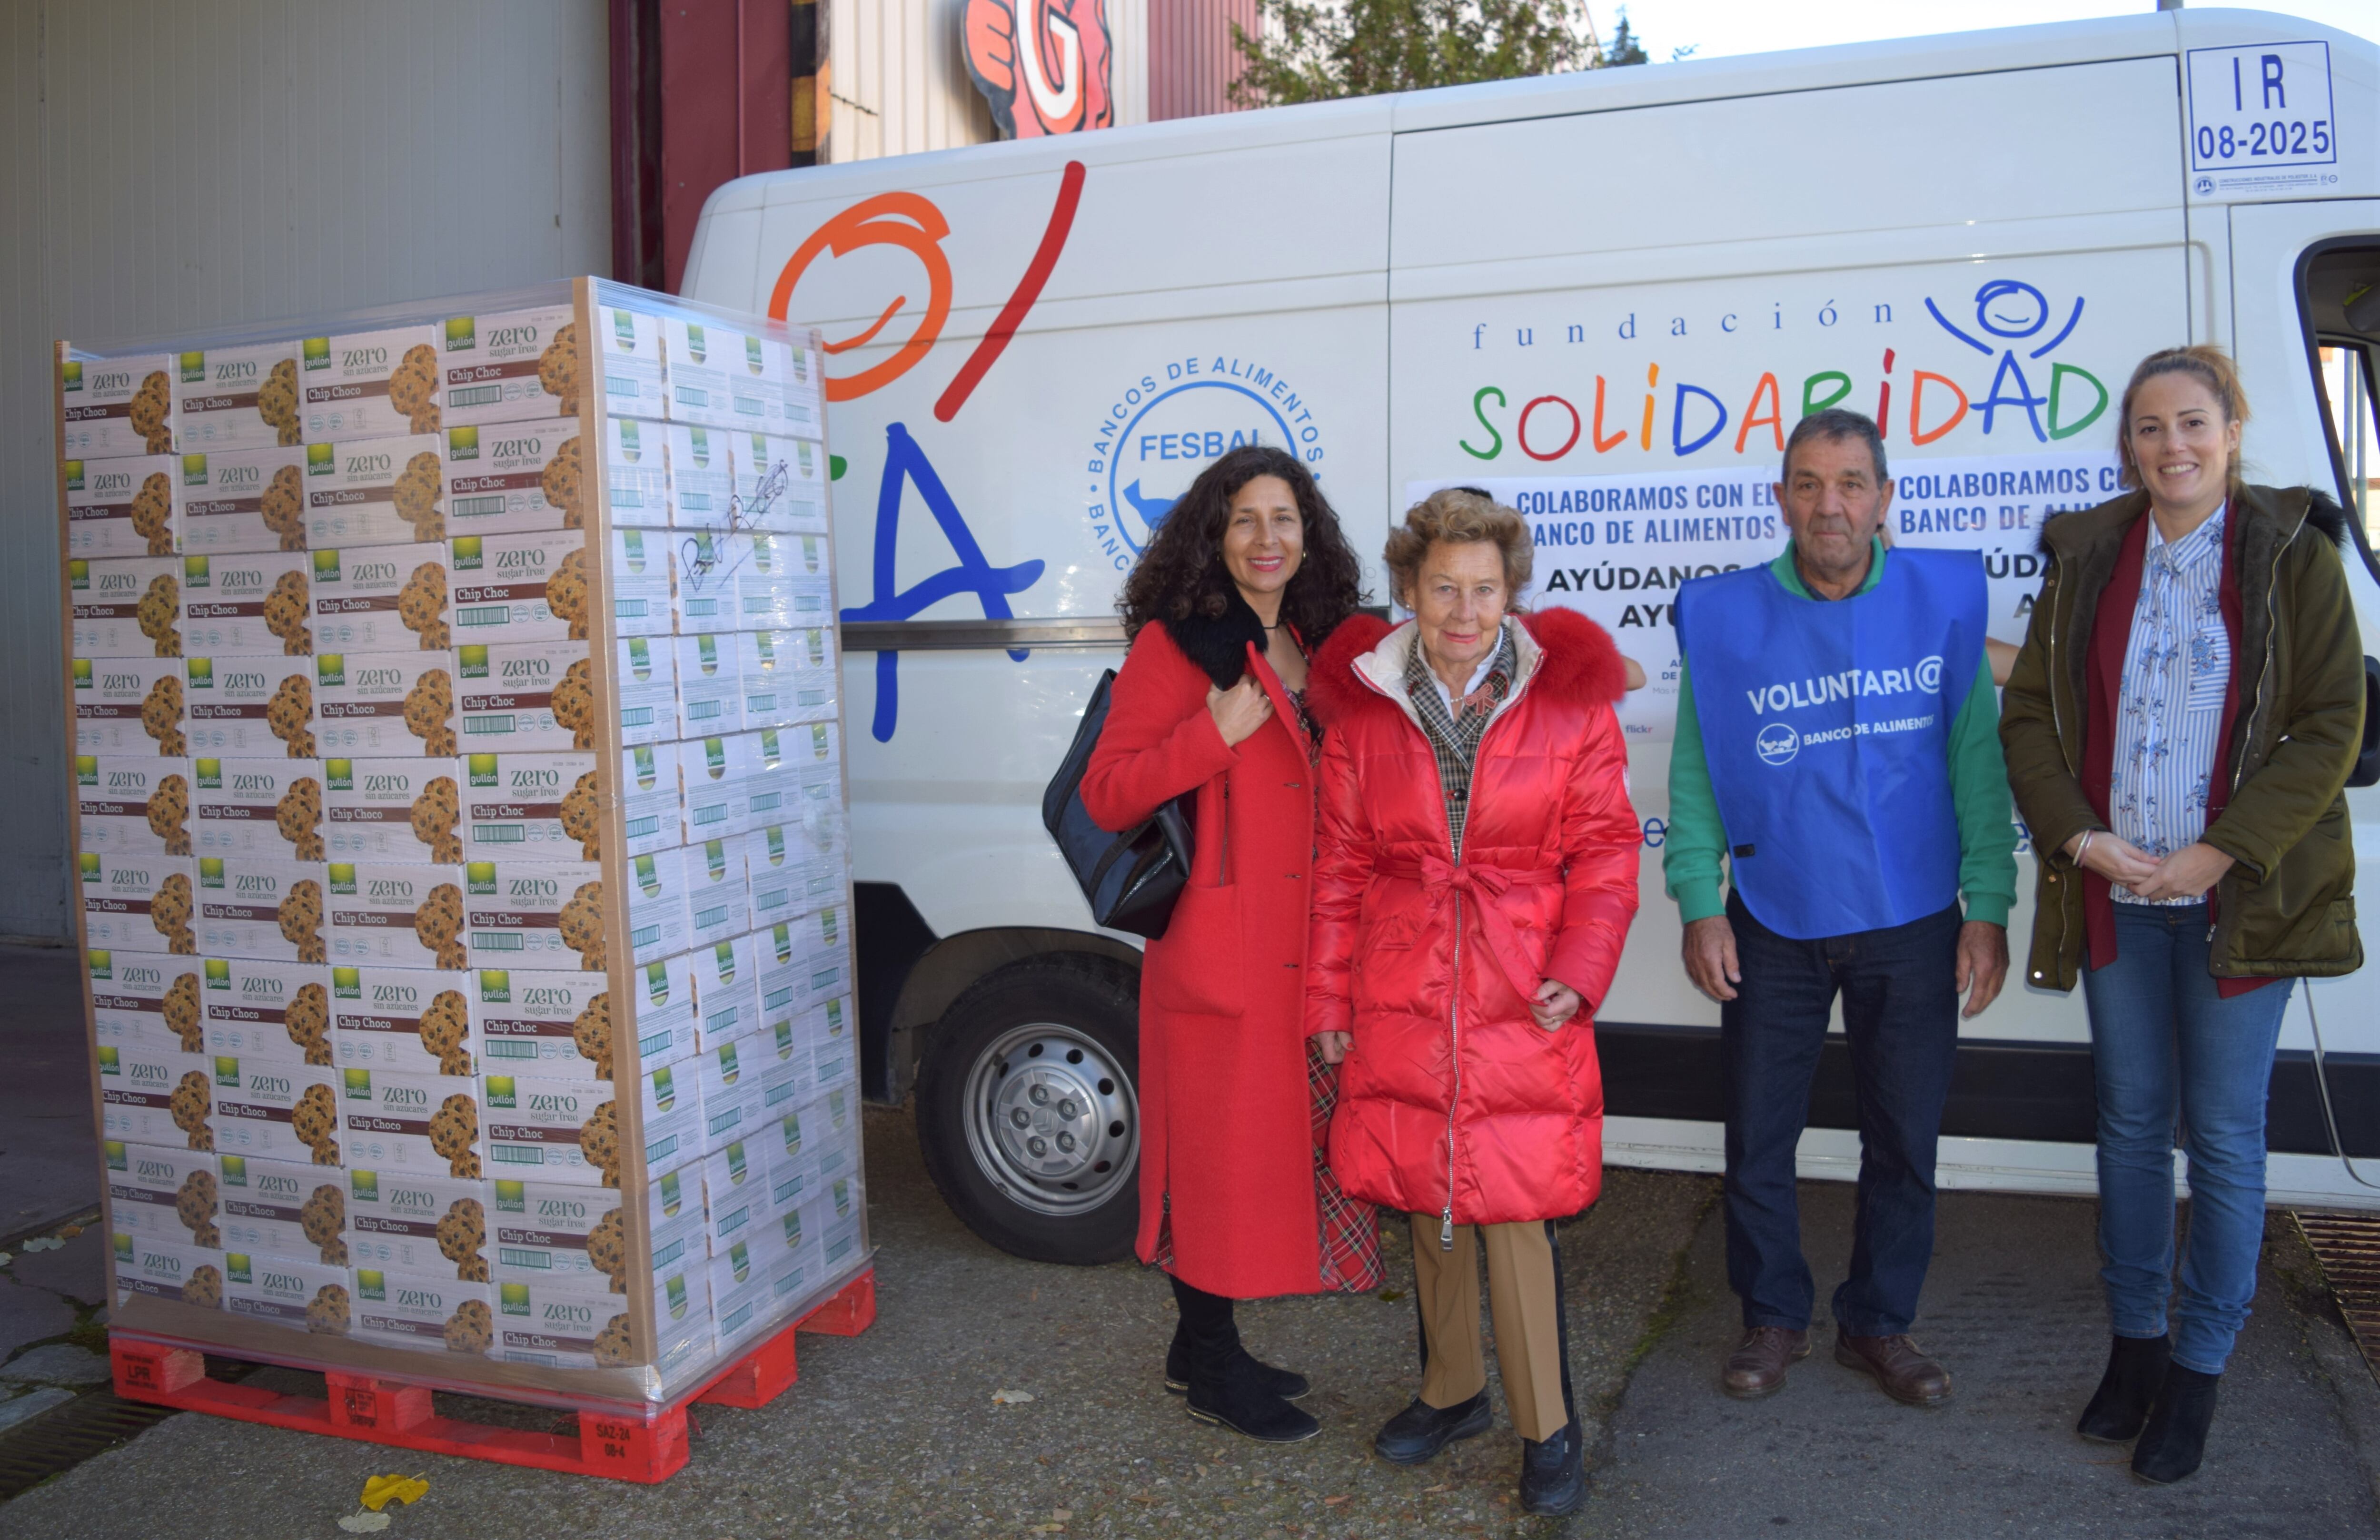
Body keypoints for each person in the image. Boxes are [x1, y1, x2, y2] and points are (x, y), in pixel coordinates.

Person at [1999, 346, 2364, 1485]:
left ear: (2232, 429)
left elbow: (2331, 722)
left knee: (2222, 1136)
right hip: (2115, 895)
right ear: (2128, 445)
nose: (2173, 446)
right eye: (2150, 427)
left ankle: (2198, 1368)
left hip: (2237, 901)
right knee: (2126, 1124)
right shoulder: (2090, 555)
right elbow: (2030, 717)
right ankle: (2136, 1345)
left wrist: (2220, 850)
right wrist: (2078, 836)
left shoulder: (2294, 553)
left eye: (2193, 422)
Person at [1666, 408, 2016, 1408]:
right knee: (1756, 1137)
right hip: (1772, 917)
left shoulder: (1940, 604)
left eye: (1852, 483)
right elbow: (1696, 770)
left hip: (1914, 919)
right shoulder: (1727, 619)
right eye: (1810, 484)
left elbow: (1977, 769)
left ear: (1884, 498)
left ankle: (1877, 1322)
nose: (1831, 505)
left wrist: (1988, 906)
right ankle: (1772, 1316)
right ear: (1782, 499)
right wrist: (1699, 901)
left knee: (1904, 1140)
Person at [1305, 489, 1639, 1517]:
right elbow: (1340, 866)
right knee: (1426, 1192)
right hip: (1402, 980)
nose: (1464, 610)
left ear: (1511, 591)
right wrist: (1327, 1000)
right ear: (1408, 588)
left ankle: (1548, 1426)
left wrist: (1580, 967)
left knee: (1516, 1207)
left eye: (1485, 589)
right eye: (1444, 587)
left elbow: (1607, 849)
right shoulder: (1367, 704)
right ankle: (1452, 1391)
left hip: (1522, 981)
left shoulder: (1566, 699)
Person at [1080, 444, 1378, 1444]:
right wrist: (1211, 732)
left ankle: (1195, 1348)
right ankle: (1212, 1366)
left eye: (1283, 518)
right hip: (1223, 954)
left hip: (1309, 949)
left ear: (1309, 534)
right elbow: (1107, 792)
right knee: (1218, 1167)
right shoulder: (1178, 648)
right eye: (1244, 519)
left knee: (1269, 1156)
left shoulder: (1320, 643)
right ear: (1214, 536)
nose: (1265, 538)